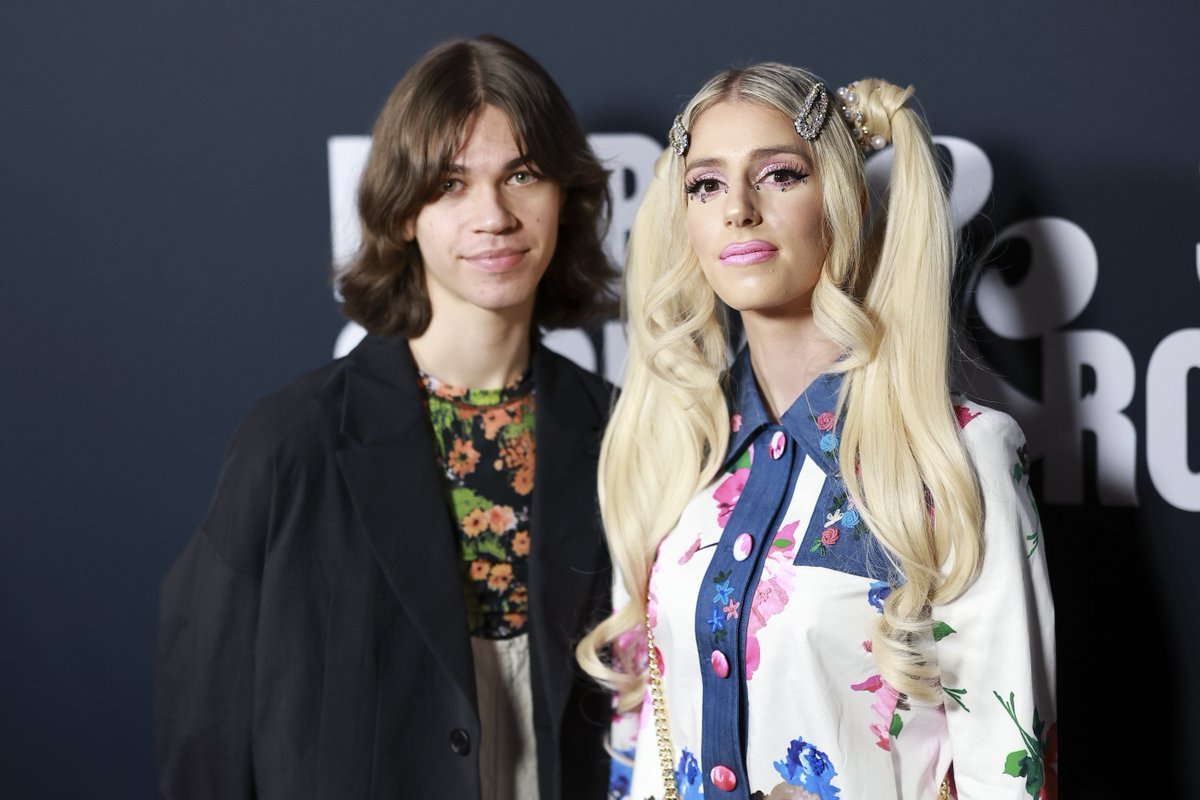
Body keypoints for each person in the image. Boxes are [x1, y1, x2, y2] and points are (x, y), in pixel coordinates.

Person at [578, 64, 1056, 799]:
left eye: (778, 175)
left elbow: (1010, 772)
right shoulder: (672, 456)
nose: (737, 208)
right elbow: (639, 744)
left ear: (844, 199)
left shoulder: (955, 459)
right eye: (705, 184)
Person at [157, 35, 617, 800]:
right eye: (450, 184)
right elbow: (206, 729)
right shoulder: (293, 438)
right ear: (404, 212)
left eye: (522, 175)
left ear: (563, 197)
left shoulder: (624, 433)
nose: (493, 215)